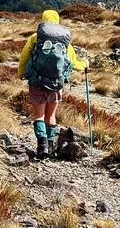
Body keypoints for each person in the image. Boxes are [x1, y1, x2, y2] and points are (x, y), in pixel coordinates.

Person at [17, 9, 87, 159]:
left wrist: (21, 73)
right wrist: (85, 64)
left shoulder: (35, 38)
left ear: (42, 20)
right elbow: (73, 63)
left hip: (37, 82)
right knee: (51, 116)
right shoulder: (64, 41)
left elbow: (24, 58)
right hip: (56, 84)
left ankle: (42, 147)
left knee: (39, 116)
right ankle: (51, 146)